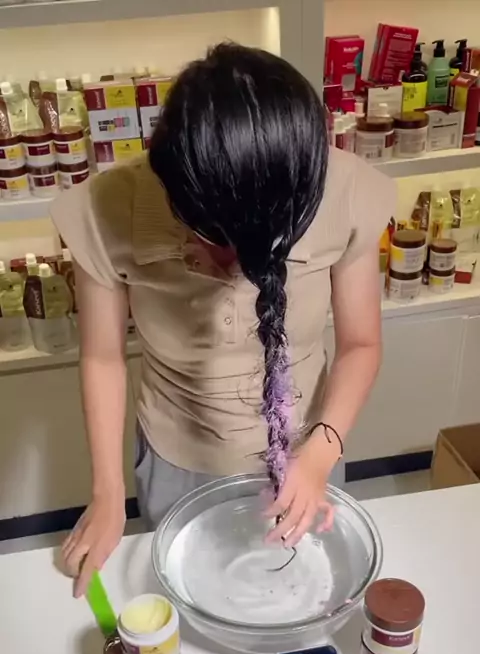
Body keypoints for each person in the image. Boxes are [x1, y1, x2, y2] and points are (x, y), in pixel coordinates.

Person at [51, 43, 395, 598]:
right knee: (186, 595)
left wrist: (320, 455)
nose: (231, 266)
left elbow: (361, 344)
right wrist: (108, 493)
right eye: (212, 238)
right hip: (177, 452)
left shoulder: (346, 190)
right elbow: (102, 356)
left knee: (302, 589)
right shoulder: (107, 207)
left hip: (309, 444)